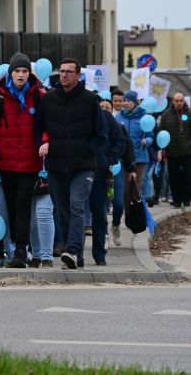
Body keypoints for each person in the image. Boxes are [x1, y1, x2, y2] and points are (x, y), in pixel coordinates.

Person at [35, 58, 107, 269]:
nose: (64, 75)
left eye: (68, 72)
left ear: (78, 75)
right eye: (61, 71)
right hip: (56, 165)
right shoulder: (48, 100)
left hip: (82, 165)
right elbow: (38, 129)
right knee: (62, 210)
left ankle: (72, 250)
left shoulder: (90, 99)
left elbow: (100, 134)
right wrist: (43, 143)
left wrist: (87, 151)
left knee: (77, 206)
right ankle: (74, 254)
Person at [0, 52, 43, 268]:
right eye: (17, 71)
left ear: (29, 74)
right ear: (11, 73)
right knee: (12, 206)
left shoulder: (39, 96)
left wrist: (45, 142)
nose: (21, 75)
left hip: (30, 162)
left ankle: (21, 251)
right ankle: (16, 246)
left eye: (25, 71)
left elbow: (46, 125)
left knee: (23, 205)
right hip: (6, 162)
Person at [88, 96, 126, 265]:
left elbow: (120, 141)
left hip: (99, 173)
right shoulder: (77, 116)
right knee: (75, 212)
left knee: (99, 215)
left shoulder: (106, 118)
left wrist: (108, 159)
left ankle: (99, 254)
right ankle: (74, 252)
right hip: (76, 171)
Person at [157, 92, 191, 208]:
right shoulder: (166, 115)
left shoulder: (190, 114)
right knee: (173, 177)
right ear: (173, 102)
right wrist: (163, 147)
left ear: (184, 101)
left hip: (186, 152)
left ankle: (186, 199)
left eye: (181, 100)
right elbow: (161, 131)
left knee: (187, 176)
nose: (179, 103)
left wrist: (190, 143)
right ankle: (176, 200)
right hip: (172, 152)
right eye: (177, 101)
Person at [102, 98, 136, 246]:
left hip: (117, 167)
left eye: (107, 107)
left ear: (112, 111)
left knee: (119, 203)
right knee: (100, 202)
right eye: (101, 107)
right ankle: (102, 233)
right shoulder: (91, 126)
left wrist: (131, 168)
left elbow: (127, 148)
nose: (104, 110)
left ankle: (115, 226)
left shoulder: (119, 127)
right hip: (98, 168)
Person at [116, 91, 154, 215]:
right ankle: (128, 213)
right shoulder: (119, 117)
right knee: (126, 189)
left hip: (140, 157)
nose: (126, 103)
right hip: (124, 158)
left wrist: (146, 141)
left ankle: (137, 214)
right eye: (124, 101)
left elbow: (151, 136)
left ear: (135, 102)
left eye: (129, 101)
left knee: (136, 187)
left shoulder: (143, 117)